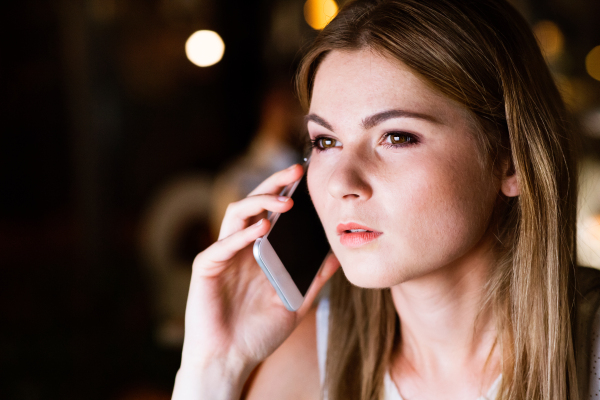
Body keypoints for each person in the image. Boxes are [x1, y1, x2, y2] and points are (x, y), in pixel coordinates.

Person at [171, 0, 600, 399]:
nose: (342, 182)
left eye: (396, 137)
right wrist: (215, 367)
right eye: (325, 141)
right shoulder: (304, 368)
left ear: (512, 163)